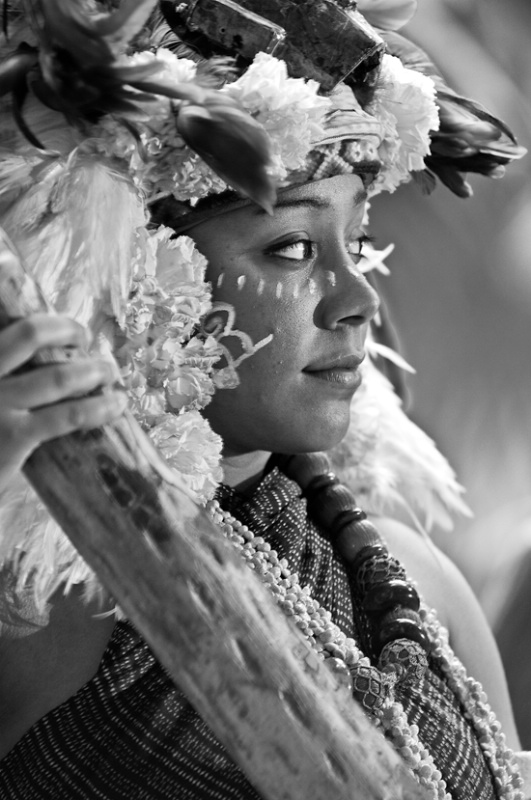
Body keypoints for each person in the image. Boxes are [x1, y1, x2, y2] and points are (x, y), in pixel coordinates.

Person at [0, 1, 528, 798]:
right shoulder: (34, 611)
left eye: (355, 244)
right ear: (133, 270)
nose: (358, 300)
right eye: (289, 247)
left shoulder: (418, 583)